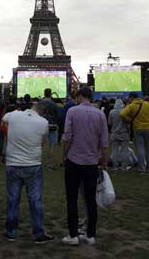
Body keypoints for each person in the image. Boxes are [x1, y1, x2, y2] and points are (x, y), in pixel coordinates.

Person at [1, 100, 55, 244]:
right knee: (35, 200)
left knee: (13, 199)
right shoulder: (43, 123)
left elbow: (3, 119)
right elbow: (43, 141)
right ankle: (38, 233)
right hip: (32, 164)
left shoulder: (14, 115)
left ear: (33, 105)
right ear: (43, 111)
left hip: (13, 163)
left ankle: (11, 232)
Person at [62, 87, 109, 246]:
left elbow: (67, 137)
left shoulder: (72, 112)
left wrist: (64, 155)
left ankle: (73, 235)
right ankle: (90, 235)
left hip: (74, 161)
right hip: (91, 162)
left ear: (81, 96)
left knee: (72, 199)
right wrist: (104, 161)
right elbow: (104, 142)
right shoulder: (100, 114)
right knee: (90, 200)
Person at [121, 92, 149, 174]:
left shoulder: (131, 106)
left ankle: (141, 168)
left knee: (140, 149)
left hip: (137, 128)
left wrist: (129, 120)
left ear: (132, 98)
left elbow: (122, 114)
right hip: (148, 128)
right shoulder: (148, 104)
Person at [109, 99, 135, 170]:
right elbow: (128, 122)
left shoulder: (111, 112)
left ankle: (115, 166)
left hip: (114, 133)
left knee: (114, 150)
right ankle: (124, 166)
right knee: (125, 150)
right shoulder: (125, 111)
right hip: (124, 133)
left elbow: (110, 123)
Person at [40, 88, 60, 170]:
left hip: (41, 125)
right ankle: (50, 165)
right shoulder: (54, 104)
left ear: (44, 94)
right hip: (52, 125)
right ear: (50, 94)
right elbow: (56, 115)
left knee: (39, 145)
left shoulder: (40, 103)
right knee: (52, 146)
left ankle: (36, 163)